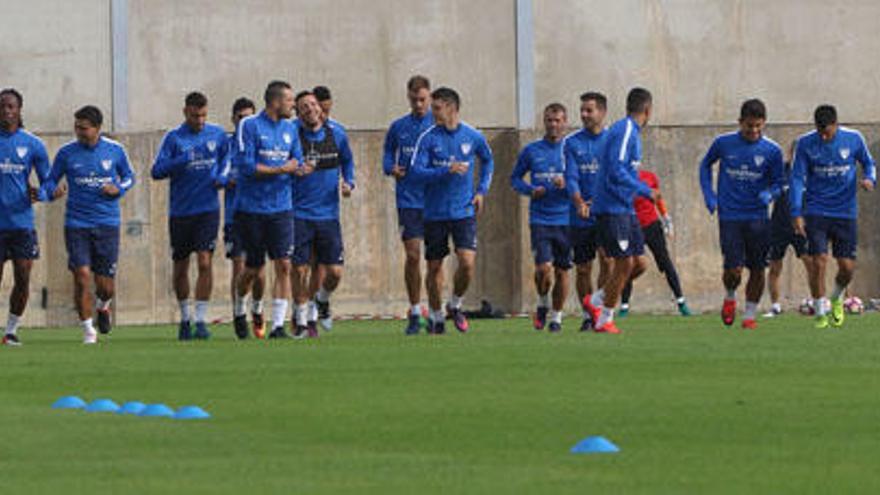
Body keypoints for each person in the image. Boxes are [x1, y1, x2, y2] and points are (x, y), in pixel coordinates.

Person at [44, 105, 135, 344]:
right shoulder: (66, 153)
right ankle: (88, 331)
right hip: (76, 223)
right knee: (81, 275)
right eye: (76, 127)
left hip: (107, 223)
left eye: (83, 128)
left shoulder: (115, 151)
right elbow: (51, 179)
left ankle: (103, 305)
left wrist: (119, 188)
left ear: (97, 128)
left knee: (106, 286)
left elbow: (129, 177)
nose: (79, 132)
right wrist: (49, 192)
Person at [411, 87, 494, 334]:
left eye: (436, 108)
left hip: (463, 211)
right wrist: (444, 171)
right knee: (435, 267)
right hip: (434, 213)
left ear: (452, 108)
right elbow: (416, 171)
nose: (432, 112)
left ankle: (455, 305)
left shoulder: (473, 136)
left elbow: (488, 160)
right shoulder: (428, 138)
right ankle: (436, 317)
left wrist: (481, 191)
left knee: (467, 262)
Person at [699, 98, 784, 330]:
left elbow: (780, 183)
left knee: (758, 268)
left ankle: (749, 315)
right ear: (740, 122)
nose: (754, 131)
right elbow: (705, 165)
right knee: (733, 269)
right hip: (730, 216)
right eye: (749, 126)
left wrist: (770, 194)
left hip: (758, 217)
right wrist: (709, 194)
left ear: (764, 123)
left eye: (758, 126)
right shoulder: (723, 143)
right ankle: (729, 296)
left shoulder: (772, 150)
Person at [791, 104, 875, 328]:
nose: (823, 135)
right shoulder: (805, 143)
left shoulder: (854, 139)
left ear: (836, 124)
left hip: (845, 212)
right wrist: (796, 212)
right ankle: (820, 312)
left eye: (827, 130)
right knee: (819, 261)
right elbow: (797, 178)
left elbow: (868, 163)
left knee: (847, 268)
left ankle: (836, 297)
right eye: (820, 130)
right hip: (816, 210)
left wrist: (870, 179)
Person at [151, 92, 227, 341]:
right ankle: (185, 317)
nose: (201, 120)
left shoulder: (217, 135)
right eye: (196, 115)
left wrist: (222, 177)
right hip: (181, 211)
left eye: (204, 115)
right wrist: (182, 159)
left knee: (205, 262)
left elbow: (227, 160)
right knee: (181, 265)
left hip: (208, 209)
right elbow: (157, 171)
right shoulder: (174, 138)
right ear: (185, 112)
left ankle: (201, 319)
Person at [233, 80, 305, 339]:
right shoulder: (249, 125)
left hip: (282, 208)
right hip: (251, 209)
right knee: (253, 268)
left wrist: (300, 169)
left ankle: (277, 325)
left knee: (284, 264)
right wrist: (280, 169)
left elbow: (296, 160)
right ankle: (240, 307)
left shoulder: (290, 129)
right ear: (275, 102)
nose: (293, 105)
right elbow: (247, 167)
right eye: (289, 101)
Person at [582, 88, 657, 334]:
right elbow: (616, 169)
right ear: (648, 110)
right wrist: (644, 190)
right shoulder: (625, 130)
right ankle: (604, 319)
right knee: (623, 263)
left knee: (640, 263)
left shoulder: (631, 132)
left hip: (626, 207)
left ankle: (595, 301)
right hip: (612, 207)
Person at [290, 91, 355, 339]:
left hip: (328, 214)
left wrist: (349, 182)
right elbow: (282, 167)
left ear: (320, 108)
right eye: (303, 107)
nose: (310, 109)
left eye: (312, 104)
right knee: (299, 270)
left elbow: (348, 162)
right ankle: (302, 318)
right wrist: (294, 170)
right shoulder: (292, 135)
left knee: (334, 272)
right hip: (299, 212)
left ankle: (322, 299)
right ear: (298, 112)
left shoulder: (336, 134)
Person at [512, 103, 571, 332]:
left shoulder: (572, 150)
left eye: (557, 120)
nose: (553, 125)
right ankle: (543, 301)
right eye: (549, 120)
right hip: (541, 219)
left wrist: (567, 184)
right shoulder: (532, 150)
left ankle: (556, 317)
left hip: (566, 219)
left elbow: (585, 183)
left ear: (565, 122)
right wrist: (529, 190)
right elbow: (515, 179)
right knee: (543, 269)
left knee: (563, 270)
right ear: (544, 122)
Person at [0, 88, 53, 346]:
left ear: (19, 110)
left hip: (21, 223)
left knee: (23, 277)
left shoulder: (32, 144)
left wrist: (40, 193)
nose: (7, 111)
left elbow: (49, 182)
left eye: (11, 107)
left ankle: (11, 331)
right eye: (3, 107)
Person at [382, 75, 433, 334]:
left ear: (430, 97)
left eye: (423, 99)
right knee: (413, 255)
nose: (419, 104)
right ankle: (414, 310)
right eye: (414, 99)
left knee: (435, 260)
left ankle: (435, 312)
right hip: (409, 199)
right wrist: (392, 168)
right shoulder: (399, 127)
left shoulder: (439, 125)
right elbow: (387, 157)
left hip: (436, 200)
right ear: (408, 97)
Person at [213, 97, 267, 338]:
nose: (244, 121)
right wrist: (228, 180)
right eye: (240, 117)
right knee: (239, 265)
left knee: (260, 269)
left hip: (260, 213)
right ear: (233, 120)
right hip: (235, 216)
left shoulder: (260, 141)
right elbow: (218, 176)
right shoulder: (228, 146)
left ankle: (257, 308)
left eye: (249, 117)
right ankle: (239, 313)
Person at [563, 91, 612, 331]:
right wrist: (579, 202)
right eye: (582, 110)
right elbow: (571, 177)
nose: (584, 114)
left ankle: (601, 310)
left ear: (602, 112)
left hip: (605, 213)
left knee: (609, 262)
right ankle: (587, 314)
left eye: (589, 110)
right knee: (583, 269)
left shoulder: (612, 139)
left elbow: (617, 175)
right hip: (580, 215)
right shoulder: (572, 143)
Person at [619, 166, 691, 316]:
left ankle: (681, 302)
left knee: (665, 262)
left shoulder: (649, 177)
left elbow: (658, 198)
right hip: (632, 226)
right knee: (629, 264)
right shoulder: (622, 179)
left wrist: (666, 218)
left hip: (652, 225)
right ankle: (624, 306)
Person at [763, 142, 812, 317]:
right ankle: (775, 306)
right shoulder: (780, 171)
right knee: (775, 266)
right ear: (791, 153)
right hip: (778, 226)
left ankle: (816, 301)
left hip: (802, 226)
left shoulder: (810, 172)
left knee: (811, 263)